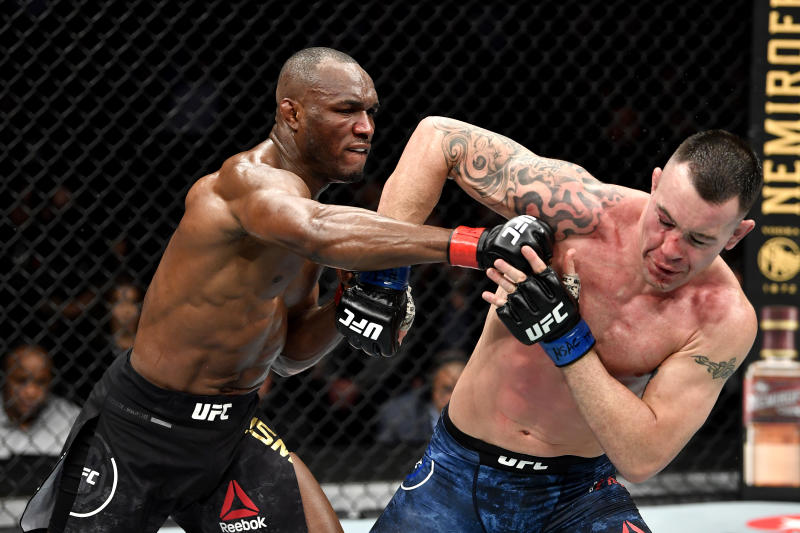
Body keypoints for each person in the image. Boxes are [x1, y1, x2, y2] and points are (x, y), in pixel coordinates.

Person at [20, 49, 549, 533]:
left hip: (229, 431)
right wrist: (475, 243)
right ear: (292, 114)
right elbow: (318, 229)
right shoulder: (245, 184)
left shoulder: (304, 219)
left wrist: (345, 304)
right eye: (346, 110)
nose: (365, 128)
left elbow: (290, 356)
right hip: (140, 430)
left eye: (370, 112)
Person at [368, 116, 762, 532]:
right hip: (456, 472)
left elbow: (643, 457)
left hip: (577, 495)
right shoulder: (580, 212)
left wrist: (564, 336)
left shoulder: (722, 317)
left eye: (699, 239)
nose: (670, 250)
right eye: (664, 220)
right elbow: (439, 138)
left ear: (735, 235)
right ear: (655, 183)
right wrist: (385, 277)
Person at [1, 345, 80, 495]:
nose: (31, 392)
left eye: (40, 382)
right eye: (21, 381)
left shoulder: (71, 420)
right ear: (5, 378)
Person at [376, 350, 467, 445]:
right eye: (448, 389)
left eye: (464, 389)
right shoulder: (397, 417)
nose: (457, 397)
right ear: (432, 389)